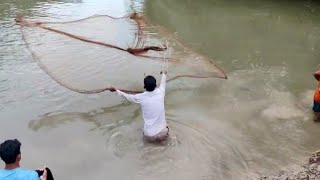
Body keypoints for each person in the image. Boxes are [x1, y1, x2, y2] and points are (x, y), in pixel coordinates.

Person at [109, 71, 169, 142]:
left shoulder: (140, 97)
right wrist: (164, 73)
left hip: (149, 135)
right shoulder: (161, 92)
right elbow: (163, 82)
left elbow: (126, 96)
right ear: (155, 85)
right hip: (163, 133)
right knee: (166, 133)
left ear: (144, 87)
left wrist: (116, 90)